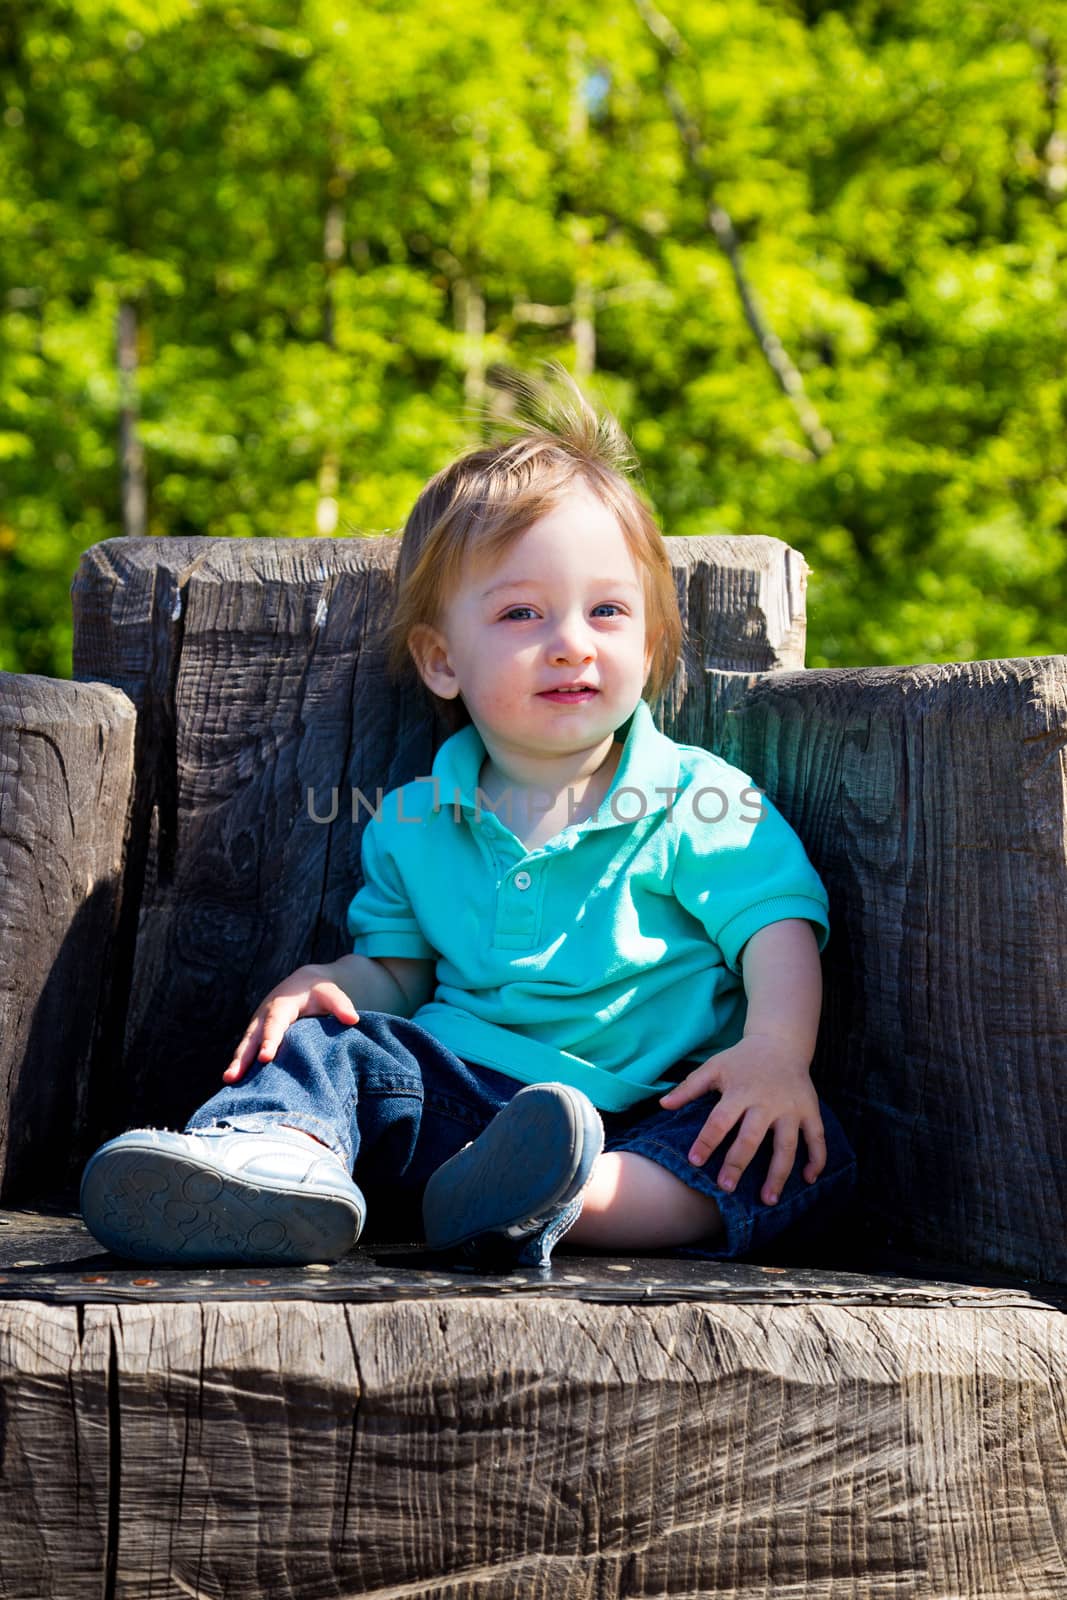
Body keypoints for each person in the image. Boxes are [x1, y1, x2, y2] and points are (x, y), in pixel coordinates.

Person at [80, 366, 856, 1271]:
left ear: (646, 646)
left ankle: (556, 1200)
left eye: (606, 611)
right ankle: (275, 1165)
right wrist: (331, 981)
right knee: (332, 1046)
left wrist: (772, 1049)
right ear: (442, 660)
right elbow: (398, 975)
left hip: (650, 1106)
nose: (571, 640)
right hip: (456, 1093)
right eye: (523, 613)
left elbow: (776, 928)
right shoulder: (413, 819)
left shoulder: (697, 797)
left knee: (797, 1153)